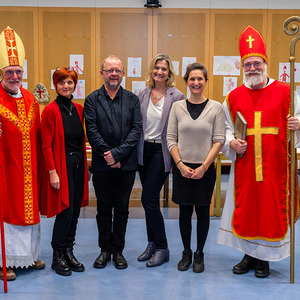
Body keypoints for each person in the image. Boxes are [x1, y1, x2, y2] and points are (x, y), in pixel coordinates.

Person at [217, 25, 300, 278]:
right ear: (242, 67)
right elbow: (224, 129)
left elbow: (296, 121)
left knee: (270, 211)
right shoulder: (233, 97)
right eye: (247, 65)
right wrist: (231, 143)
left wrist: (298, 124)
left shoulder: (287, 92)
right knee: (248, 211)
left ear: (265, 63)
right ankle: (249, 256)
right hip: (246, 167)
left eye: (256, 63)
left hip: (276, 167)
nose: (252, 69)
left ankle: (265, 259)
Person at [84, 55, 142, 270]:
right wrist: (109, 156)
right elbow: (92, 131)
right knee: (103, 208)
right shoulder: (92, 100)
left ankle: (118, 251)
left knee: (123, 209)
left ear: (123, 73)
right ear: (102, 73)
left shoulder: (132, 99)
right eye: (110, 70)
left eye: (117, 70)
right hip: (102, 165)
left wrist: (118, 155)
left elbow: (136, 130)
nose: (114, 74)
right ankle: (104, 250)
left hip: (126, 165)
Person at [167, 63, 225, 273]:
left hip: (205, 168)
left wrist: (203, 166)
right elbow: (171, 139)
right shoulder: (177, 107)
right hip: (182, 168)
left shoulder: (216, 107)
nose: (196, 83)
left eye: (200, 79)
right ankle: (186, 252)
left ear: (206, 82)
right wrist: (180, 165)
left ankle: (200, 253)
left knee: (202, 211)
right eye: (192, 79)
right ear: (186, 82)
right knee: (184, 211)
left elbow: (219, 140)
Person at [0, 26, 45, 281]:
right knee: (7, 212)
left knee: (29, 211)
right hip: (6, 169)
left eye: (18, 71)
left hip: (28, 170)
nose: (15, 76)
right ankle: (4, 261)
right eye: (10, 72)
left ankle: (28, 257)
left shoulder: (30, 99)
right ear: (2, 73)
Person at [137, 54, 185, 267]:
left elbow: (181, 127)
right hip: (142, 151)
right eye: (156, 68)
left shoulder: (177, 96)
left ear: (169, 73)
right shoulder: (142, 94)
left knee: (147, 198)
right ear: (152, 71)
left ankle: (163, 247)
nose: (159, 72)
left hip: (161, 151)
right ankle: (152, 243)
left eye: (164, 69)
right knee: (151, 202)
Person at [40, 67, 89, 276]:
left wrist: (86, 166)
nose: (66, 86)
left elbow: (81, 140)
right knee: (65, 211)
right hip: (61, 165)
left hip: (78, 163)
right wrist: (52, 171)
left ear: (74, 85)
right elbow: (46, 145)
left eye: (70, 83)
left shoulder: (78, 109)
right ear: (55, 85)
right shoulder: (50, 110)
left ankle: (69, 251)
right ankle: (57, 255)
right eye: (62, 83)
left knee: (76, 210)